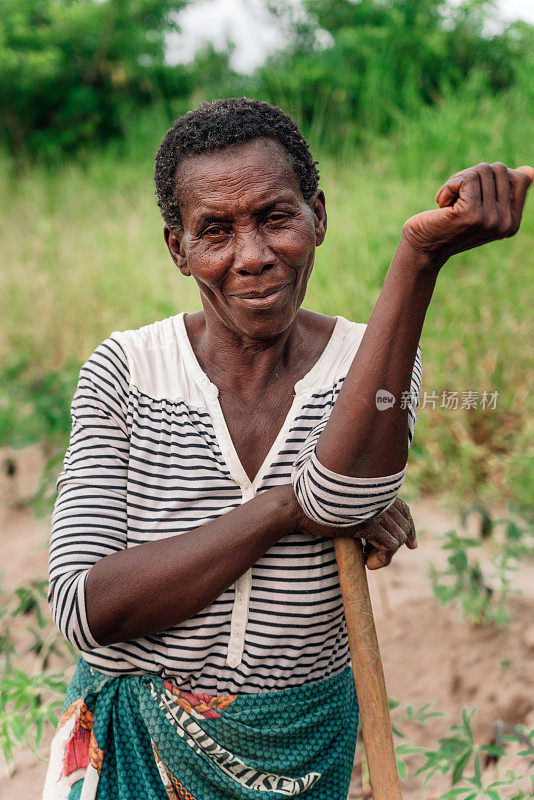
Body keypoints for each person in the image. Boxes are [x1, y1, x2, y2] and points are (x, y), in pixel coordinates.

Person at [42, 98, 532, 800]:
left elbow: (343, 498)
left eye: (276, 217)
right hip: (136, 749)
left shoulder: (370, 361)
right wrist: (280, 511)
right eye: (215, 230)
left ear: (318, 217)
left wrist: (419, 259)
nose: (253, 256)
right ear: (178, 249)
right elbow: (85, 608)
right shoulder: (127, 371)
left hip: (298, 747)